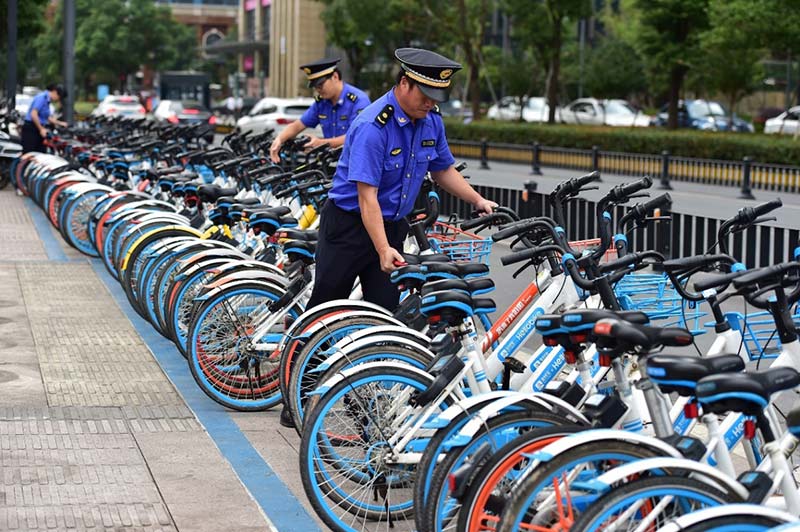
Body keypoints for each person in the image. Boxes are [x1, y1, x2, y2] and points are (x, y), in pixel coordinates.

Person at [307, 47, 497, 311]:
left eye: (436, 97)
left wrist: (477, 200)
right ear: (405, 83)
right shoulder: (374, 126)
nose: (430, 103)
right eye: (425, 95)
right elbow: (367, 196)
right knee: (326, 310)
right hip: (348, 228)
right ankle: (303, 340)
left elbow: (442, 169)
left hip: (392, 226)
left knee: (384, 313)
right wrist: (382, 248)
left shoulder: (431, 120)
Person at [269, 58, 370, 163]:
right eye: (315, 87)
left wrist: (320, 143)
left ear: (335, 77)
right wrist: (279, 140)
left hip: (354, 164)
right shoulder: (322, 103)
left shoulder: (358, 101)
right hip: (330, 162)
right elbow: (298, 125)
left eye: (320, 85)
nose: (318, 90)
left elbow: (355, 136)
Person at [21, 83, 67, 154]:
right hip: (32, 128)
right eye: (59, 97)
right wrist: (41, 129)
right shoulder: (42, 97)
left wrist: (60, 123)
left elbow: (47, 117)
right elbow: (33, 114)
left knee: (40, 154)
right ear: (55, 92)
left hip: (39, 128)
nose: (58, 99)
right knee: (29, 154)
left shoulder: (47, 100)